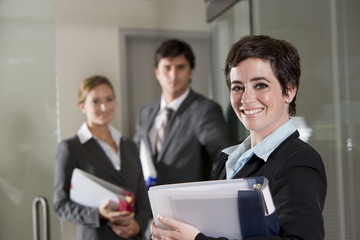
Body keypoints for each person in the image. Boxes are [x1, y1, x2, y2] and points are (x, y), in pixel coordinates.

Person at [150, 35, 327, 240]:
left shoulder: (299, 161)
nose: (246, 99)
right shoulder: (229, 159)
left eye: (260, 85)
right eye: (237, 87)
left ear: (289, 90)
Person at [53, 75, 151, 240]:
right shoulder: (70, 149)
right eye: (96, 101)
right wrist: (97, 214)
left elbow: (143, 198)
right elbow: (60, 205)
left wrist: (137, 226)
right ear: (82, 106)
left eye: (109, 99)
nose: (104, 107)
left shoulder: (130, 146)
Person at [133, 39, 232, 186]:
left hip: (188, 205)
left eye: (180, 67)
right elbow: (136, 157)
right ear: (157, 72)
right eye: (167, 68)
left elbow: (225, 158)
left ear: (191, 71)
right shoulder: (145, 113)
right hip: (149, 205)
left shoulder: (205, 109)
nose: (173, 75)